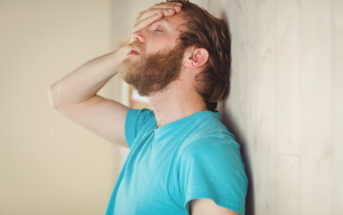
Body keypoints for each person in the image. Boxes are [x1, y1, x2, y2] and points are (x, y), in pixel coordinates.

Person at [48, 0, 248, 214]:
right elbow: (63, 98)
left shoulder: (206, 148)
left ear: (195, 57)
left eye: (159, 30)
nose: (136, 36)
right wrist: (126, 52)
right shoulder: (147, 129)